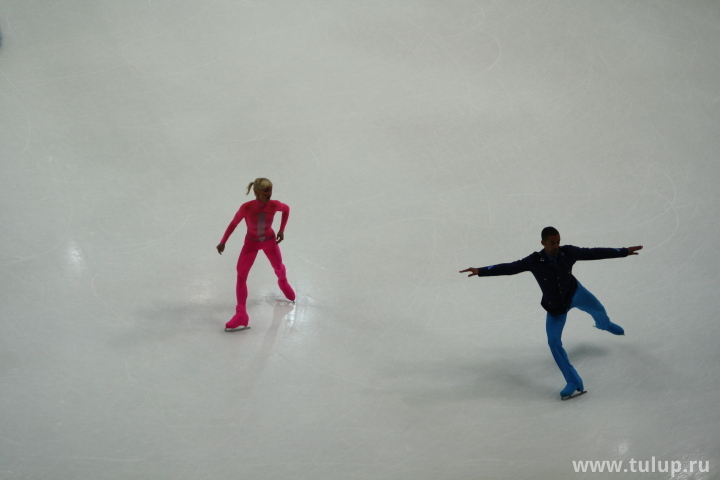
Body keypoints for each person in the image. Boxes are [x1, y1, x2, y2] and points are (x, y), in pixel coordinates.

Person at [460, 227, 642, 399]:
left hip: (576, 294)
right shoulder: (534, 261)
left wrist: (624, 251)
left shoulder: (568, 252)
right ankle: (573, 380)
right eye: (552, 243)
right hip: (556, 308)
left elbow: (594, 253)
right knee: (553, 342)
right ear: (543, 242)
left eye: (558, 242)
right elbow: (510, 268)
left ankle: (605, 324)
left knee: (599, 309)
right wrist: (480, 271)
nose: (556, 246)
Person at [217, 178, 296, 332]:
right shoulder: (246, 208)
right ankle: (241, 314)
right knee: (241, 275)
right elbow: (233, 223)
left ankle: (283, 282)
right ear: (257, 192)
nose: (269, 193)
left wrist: (282, 230)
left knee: (278, 266)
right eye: (266, 191)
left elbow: (286, 209)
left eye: (271, 190)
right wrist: (223, 241)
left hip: (270, 241)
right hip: (251, 244)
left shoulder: (274, 205)